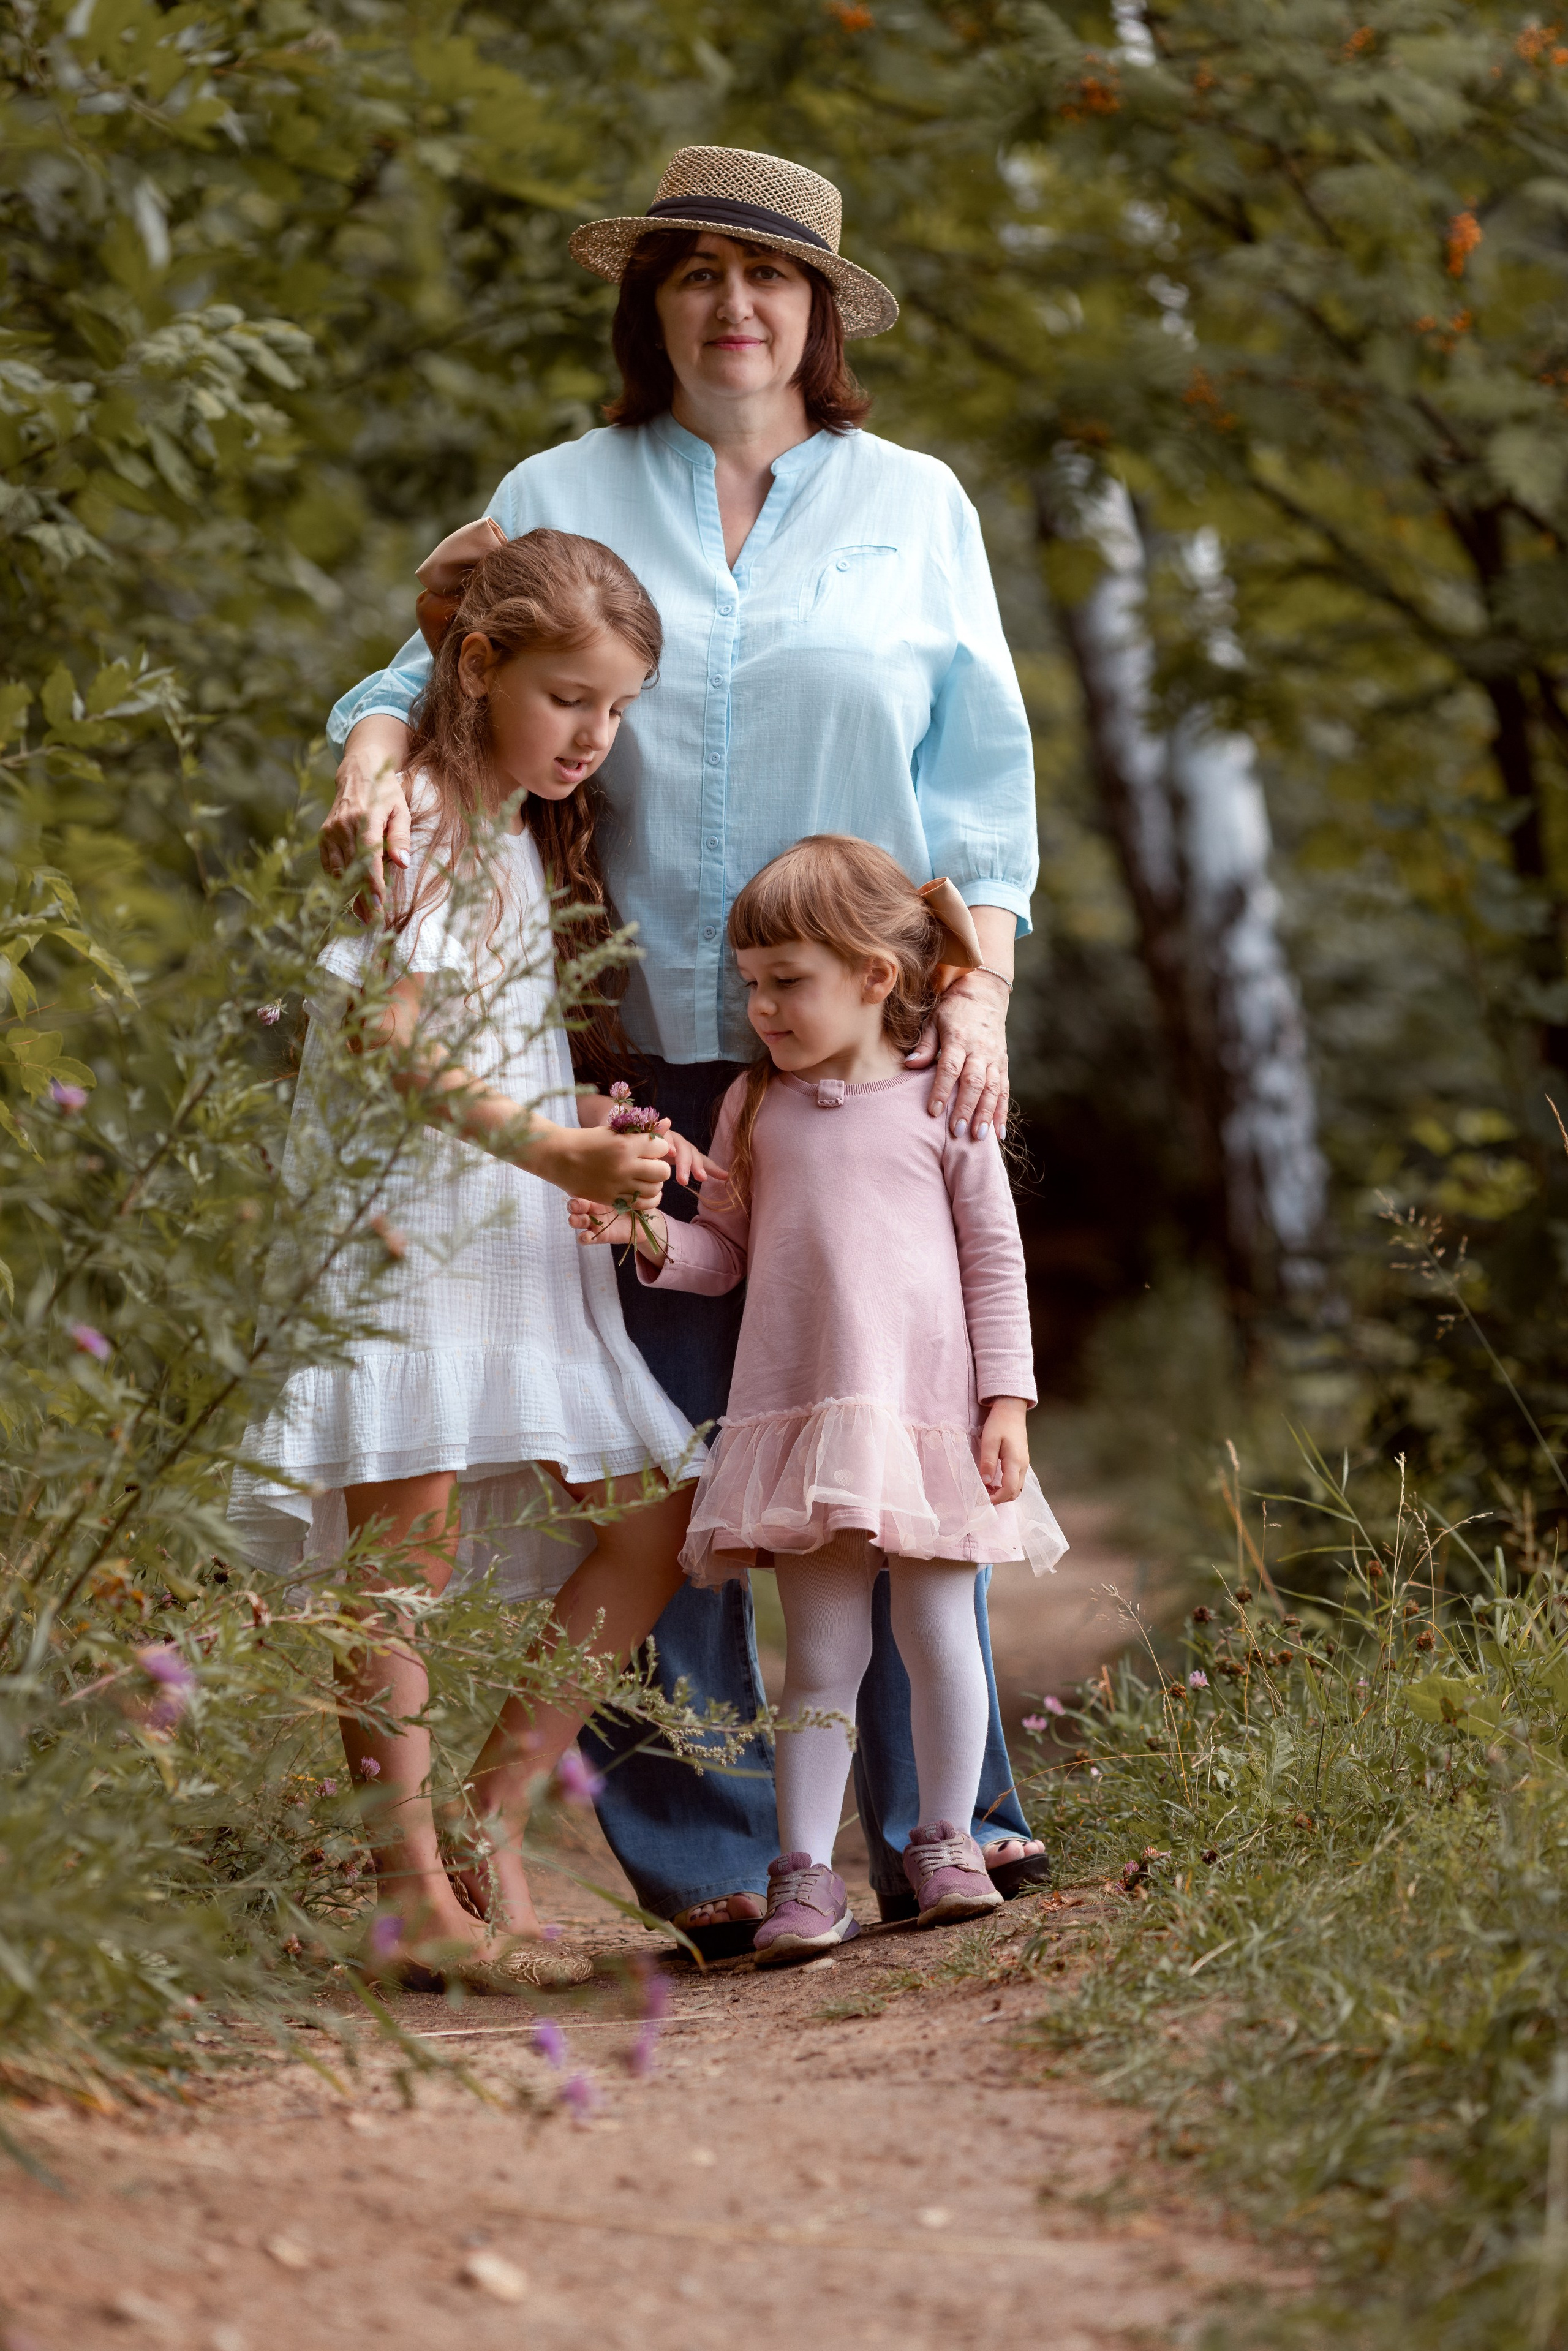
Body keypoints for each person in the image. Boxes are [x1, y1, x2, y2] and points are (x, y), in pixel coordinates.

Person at [318, 144, 1050, 1950]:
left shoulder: (916, 505)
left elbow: (983, 792)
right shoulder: (559, 488)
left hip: (861, 1051)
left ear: (820, 311)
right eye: (698, 271)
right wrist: (367, 755)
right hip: (624, 1051)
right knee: (677, 1452)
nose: (735, 305)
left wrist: (976, 994)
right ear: (650, 303)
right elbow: (423, 674)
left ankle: (945, 1821)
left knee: (894, 1412)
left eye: (770, 275)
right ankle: (719, 1853)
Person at [229, 530, 714, 1987]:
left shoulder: (510, 822)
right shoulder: (426, 816)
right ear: (479, 665)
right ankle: (412, 1902)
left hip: (500, 1224)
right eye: (570, 697)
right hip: (404, 1227)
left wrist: (591, 1125)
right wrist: (553, 1148)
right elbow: (392, 1049)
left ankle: (488, 1821)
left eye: (617, 708)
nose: (594, 735)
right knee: (404, 1557)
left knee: (652, 1522)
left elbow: (485, 1040)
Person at [570, 837, 1066, 1962]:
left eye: (785, 981)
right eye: (751, 982)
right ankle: (804, 1874)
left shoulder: (945, 1097)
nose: (761, 1008)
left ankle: (947, 1838)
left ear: (876, 976)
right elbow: (726, 1255)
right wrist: (647, 1231)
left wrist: (1008, 1401)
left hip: (928, 1423)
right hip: (804, 1428)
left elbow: (996, 1260)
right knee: (824, 1652)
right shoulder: (754, 1106)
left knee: (939, 1633)